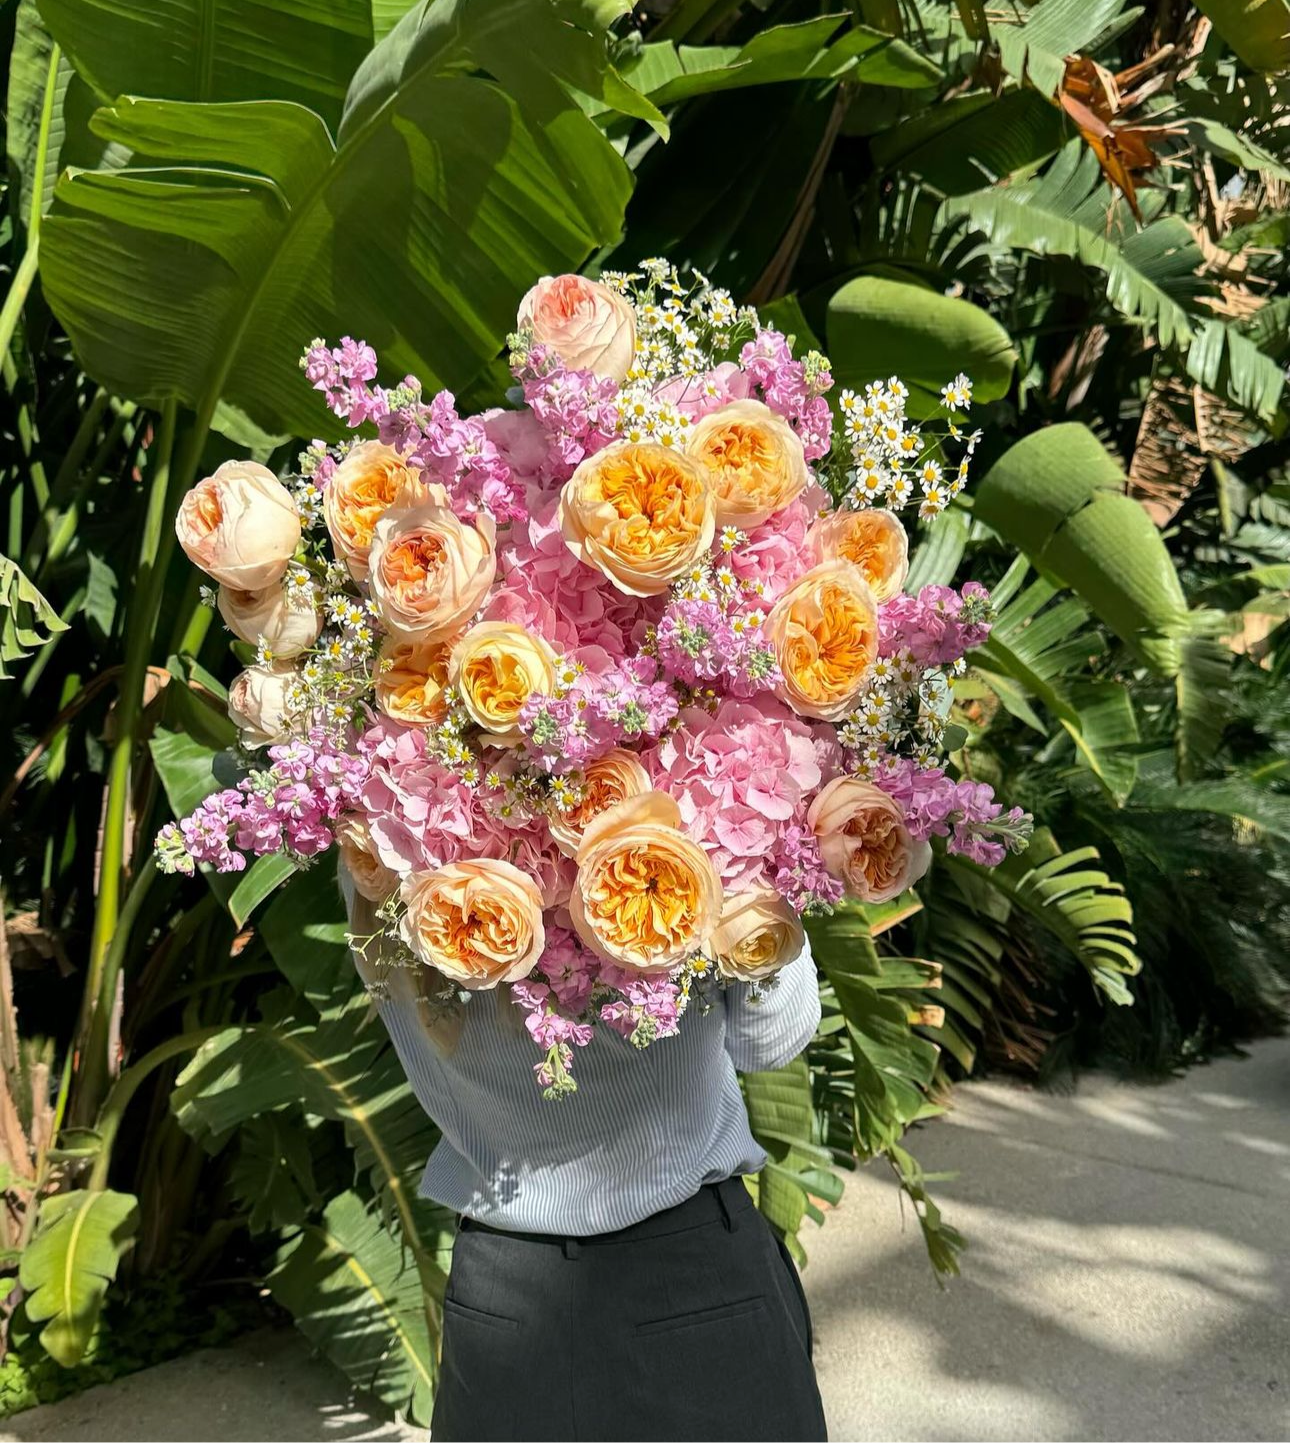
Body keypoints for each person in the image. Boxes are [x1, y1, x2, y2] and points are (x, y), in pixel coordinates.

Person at [342, 872, 829, 1442]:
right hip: (692, 1276)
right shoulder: (688, 817)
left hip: (498, 1287)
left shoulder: (378, 837)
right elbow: (770, 1040)